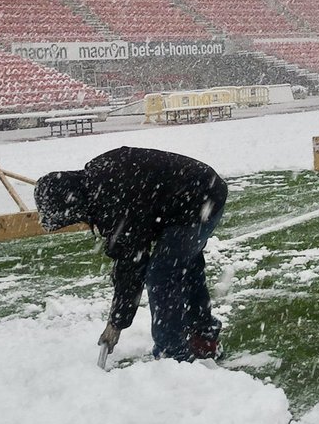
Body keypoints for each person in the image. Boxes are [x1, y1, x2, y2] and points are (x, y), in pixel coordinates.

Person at [34, 147, 227, 362]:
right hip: (202, 191)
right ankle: (203, 337)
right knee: (185, 266)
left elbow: (132, 263)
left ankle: (173, 355)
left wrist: (116, 323)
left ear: (71, 204)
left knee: (161, 274)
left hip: (198, 199)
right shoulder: (98, 181)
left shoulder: (110, 199)